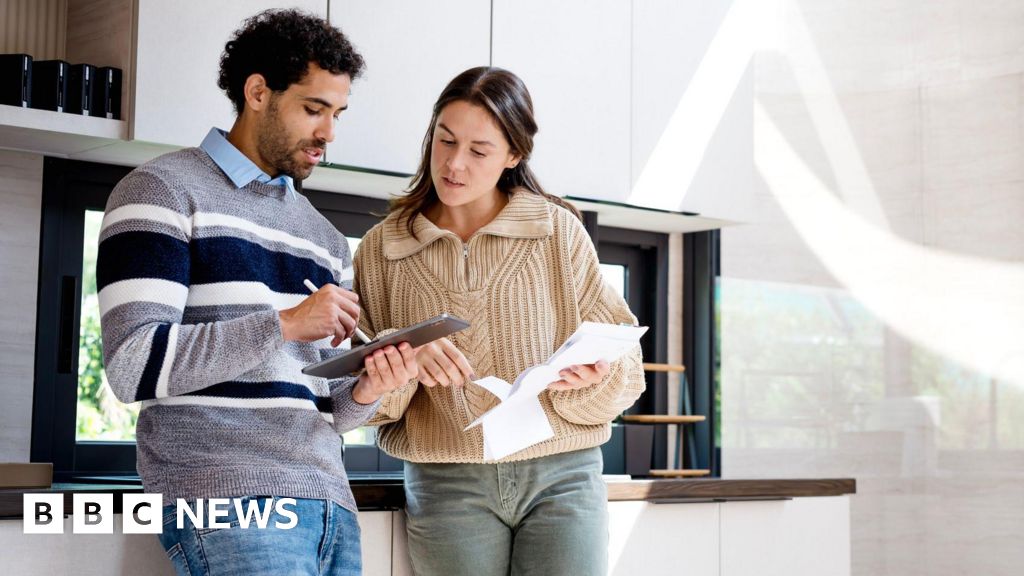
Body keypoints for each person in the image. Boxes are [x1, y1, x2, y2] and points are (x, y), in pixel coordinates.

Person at [96, 9, 417, 576]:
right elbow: (132, 365)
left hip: (329, 502)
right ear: (258, 93)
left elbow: (323, 407)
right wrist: (286, 323)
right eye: (313, 109)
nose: (329, 133)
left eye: (337, 113)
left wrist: (369, 387)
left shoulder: (324, 238)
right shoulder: (161, 190)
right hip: (226, 495)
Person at [352, 66, 646, 576]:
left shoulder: (557, 232)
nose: (454, 163)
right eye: (445, 140)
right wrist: (403, 360)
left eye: (479, 150)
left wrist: (591, 378)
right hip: (447, 484)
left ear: (513, 155)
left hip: (563, 476)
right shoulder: (384, 249)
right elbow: (363, 400)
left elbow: (627, 369)